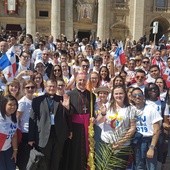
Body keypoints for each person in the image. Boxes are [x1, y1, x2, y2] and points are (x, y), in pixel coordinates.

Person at [28, 79, 71, 170]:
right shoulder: (37, 100)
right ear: (46, 86)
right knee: (44, 162)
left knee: (56, 161)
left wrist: (67, 108)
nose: (51, 88)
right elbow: (33, 120)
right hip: (43, 135)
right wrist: (31, 138)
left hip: (58, 135)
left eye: (53, 86)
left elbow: (68, 118)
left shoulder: (62, 99)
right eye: (49, 86)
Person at [96, 85, 136, 170]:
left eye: (121, 93)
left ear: (125, 94)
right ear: (113, 95)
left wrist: (120, 143)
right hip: (107, 143)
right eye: (116, 94)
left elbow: (132, 128)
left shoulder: (130, 108)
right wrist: (103, 113)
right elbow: (98, 121)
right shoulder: (107, 105)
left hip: (122, 146)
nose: (118, 96)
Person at [67, 73, 96, 170]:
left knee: (87, 149)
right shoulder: (69, 95)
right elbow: (68, 114)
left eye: (84, 80)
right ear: (76, 80)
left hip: (88, 127)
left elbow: (93, 112)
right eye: (80, 80)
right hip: (75, 128)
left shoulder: (91, 95)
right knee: (76, 151)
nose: (82, 82)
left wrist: (93, 118)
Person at [132, 87, 162, 170]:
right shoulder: (131, 110)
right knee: (139, 167)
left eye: (139, 95)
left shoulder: (151, 109)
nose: (137, 97)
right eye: (134, 95)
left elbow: (157, 129)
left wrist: (152, 148)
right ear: (131, 98)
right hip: (137, 142)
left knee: (151, 168)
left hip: (149, 142)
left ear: (143, 96)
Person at [16, 80, 37, 170]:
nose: (30, 89)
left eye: (32, 87)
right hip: (25, 134)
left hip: (34, 132)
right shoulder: (22, 102)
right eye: (27, 87)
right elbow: (17, 119)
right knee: (25, 161)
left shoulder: (35, 100)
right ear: (24, 89)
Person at [0, 95, 18, 170]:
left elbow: (14, 135)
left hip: (8, 150)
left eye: (15, 105)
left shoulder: (14, 118)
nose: (13, 107)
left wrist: (15, 151)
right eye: (10, 104)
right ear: (4, 105)